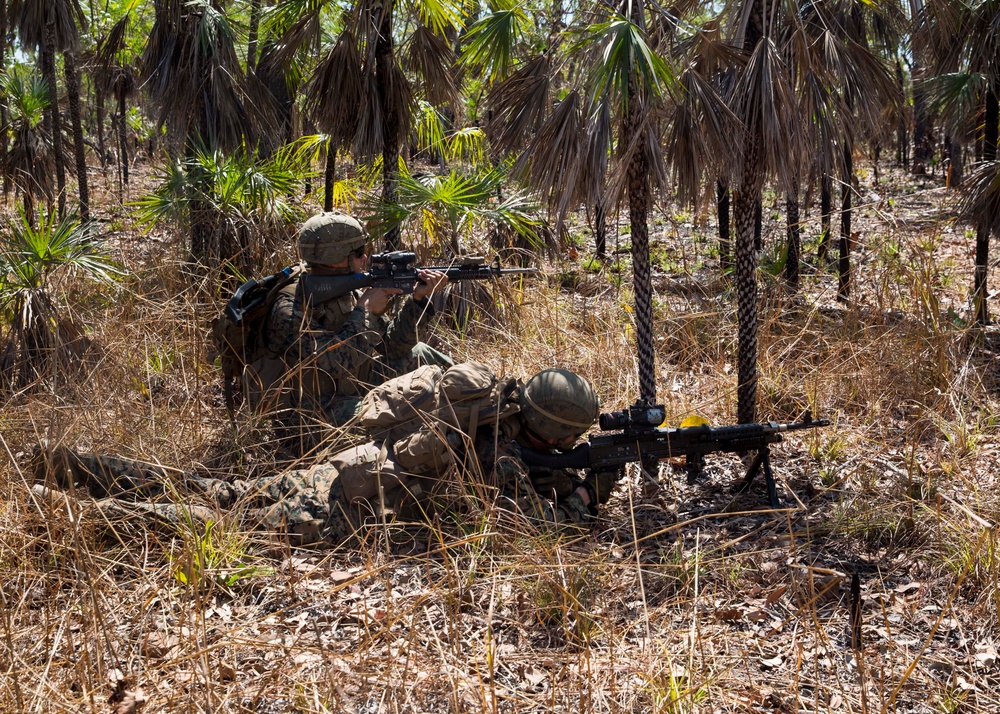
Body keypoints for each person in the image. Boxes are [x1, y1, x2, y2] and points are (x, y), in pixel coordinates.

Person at [29, 368, 615, 546]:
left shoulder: (490, 405)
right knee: (213, 525)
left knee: (212, 489)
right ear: (553, 434)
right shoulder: (502, 456)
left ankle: (68, 462)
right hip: (335, 511)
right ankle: (64, 510)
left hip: (342, 467)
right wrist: (586, 495)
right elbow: (534, 531)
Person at [262, 212, 453, 427]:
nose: (365, 258)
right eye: (359, 252)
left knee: (421, 353)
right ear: (335, 258)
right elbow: (332, 364)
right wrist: (365, 312)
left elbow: (392, 348)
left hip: (351, 385)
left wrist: (418, 300)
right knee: (397, 419)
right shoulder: (289, 308)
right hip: (312, 410)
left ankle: (479, 393)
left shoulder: (346, 289)